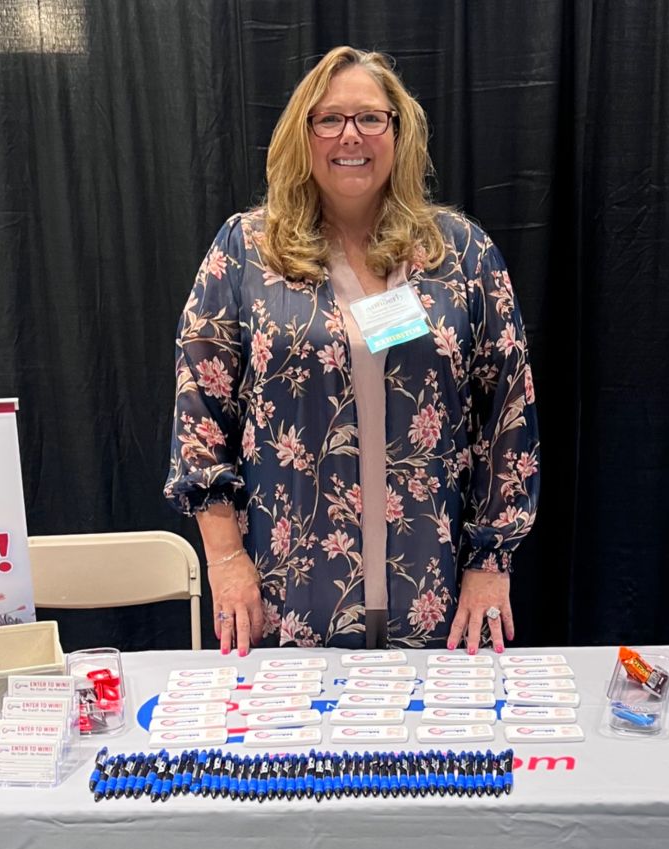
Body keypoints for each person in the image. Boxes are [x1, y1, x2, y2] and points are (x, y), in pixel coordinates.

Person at [165, 46, 539, 655]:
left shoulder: (459, 254)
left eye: (370, 117)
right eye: (330, 118)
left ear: (399, 130)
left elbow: (508, 414)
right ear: (303, 133)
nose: (351, 136)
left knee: (434, 747)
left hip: (436, 597)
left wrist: (491, 561)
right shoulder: (246, 250)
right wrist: (226, 559)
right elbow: (199, 414)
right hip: (289, 595)